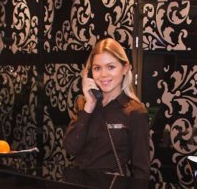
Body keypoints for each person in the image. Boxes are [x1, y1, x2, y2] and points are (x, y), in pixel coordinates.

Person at [64, 37, 150, 179]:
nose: (103, 74)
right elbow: (71, 148)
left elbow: (141, 170)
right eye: (97, 68)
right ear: (90, 73)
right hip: (78, 188)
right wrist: (88, 107)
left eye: (111, 67)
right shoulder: (83, 103)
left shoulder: (135, 112)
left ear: (125, 68)